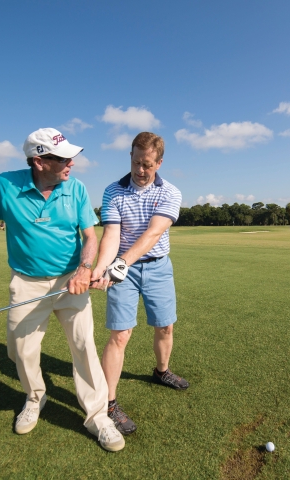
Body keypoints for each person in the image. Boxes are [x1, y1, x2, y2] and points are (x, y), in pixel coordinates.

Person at [0, 128, 124, 452]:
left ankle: (98, 417)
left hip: (71, 281)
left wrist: (84, 269)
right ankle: (35, 397)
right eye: (62, 158)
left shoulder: (75, 188)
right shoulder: (5, 184)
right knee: (19, 350)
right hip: (27, 283)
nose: (71, 163)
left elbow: (90, 237)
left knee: (84, 348)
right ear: (39, 161)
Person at [90, 132, 189, 435]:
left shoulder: (171, 192)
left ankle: (161, 372)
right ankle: (109, 403)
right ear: (130, 158)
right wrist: (102, 267)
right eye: (135, 162)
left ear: (159, 162)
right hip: (124, 271)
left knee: (165, 326)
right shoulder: (113, 191)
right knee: (120, 335)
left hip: (158, 267)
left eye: (147, 164)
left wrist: (119, 264)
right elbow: (112, 235)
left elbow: (152, 234)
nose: (140, 170)